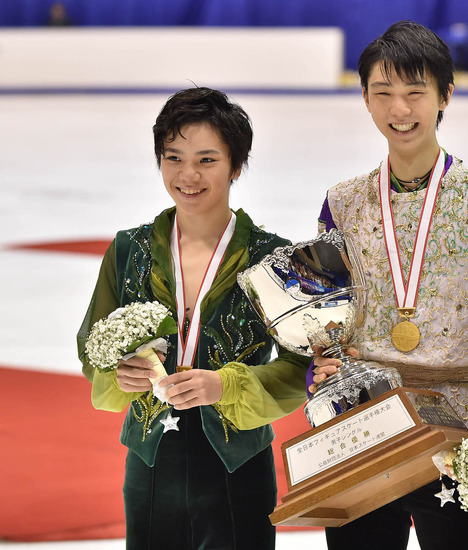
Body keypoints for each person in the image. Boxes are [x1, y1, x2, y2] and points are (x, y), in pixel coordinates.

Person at [309, 20, 468, 550]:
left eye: (415, 93)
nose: (399, 110)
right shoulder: (342, 203)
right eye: (383, 93)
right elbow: (327, 317)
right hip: (362, 423)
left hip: (454, 424)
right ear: (364, 98)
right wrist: (321, 367)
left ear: (445, 95)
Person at [77, 87, 311, 549]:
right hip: (150, 461)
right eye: (173, 157)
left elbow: (300, 366)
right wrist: (118, 373)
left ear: (236, 166)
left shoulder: (271, 259)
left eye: (206, 160)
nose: (187, 174)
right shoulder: (129, 250)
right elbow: (94, 347)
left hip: (236, 460)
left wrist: (225, 385)